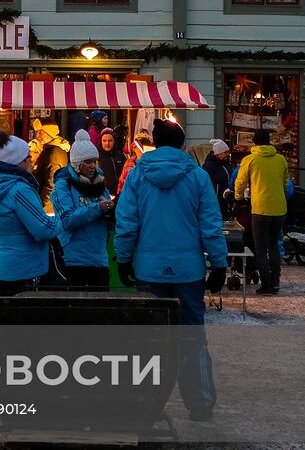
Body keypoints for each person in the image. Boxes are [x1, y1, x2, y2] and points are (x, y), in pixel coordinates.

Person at [113, 117, 228, 422]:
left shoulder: (138, 176)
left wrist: (123, 258)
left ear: (155, 142)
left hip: (149, 269)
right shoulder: (198, 177)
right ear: (182, 143)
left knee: (148, 338)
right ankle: (200, 401)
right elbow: (211, 225)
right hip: (188, 271)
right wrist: (219, 263)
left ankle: (145, 401)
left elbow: (126, 223)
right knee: (192, 336)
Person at [0, 130, 60, 296]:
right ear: (19, 161)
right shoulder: (19, 190)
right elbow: (44, 229)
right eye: (28, 157)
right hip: (24, 269)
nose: (31, 160)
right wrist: (61, 217)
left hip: (2, 266)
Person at [52, 130, 116, 291]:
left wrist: (113, 213)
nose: (93, 166)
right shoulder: (63, 186)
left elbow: (108, 223)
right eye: (88, 162)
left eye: (95, 161)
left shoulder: (100, 185)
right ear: (77, 164)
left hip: (99, 259)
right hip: (73, 260)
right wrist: (98, 208)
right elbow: (66, 220)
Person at [233, 128, 290, 294]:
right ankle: (276, 281)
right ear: (269, 141)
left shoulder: (250, 160)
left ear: (254, 142)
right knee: (273, 245)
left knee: (260, 247)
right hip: (279, 208)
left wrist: (238, 198)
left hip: (260, 208)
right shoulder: (281, 159)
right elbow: (285, 183)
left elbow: (240, 182)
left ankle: (266, 284)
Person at [31, 121, 71, 207]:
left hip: (50, 206)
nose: (37, 136)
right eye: (36, 132)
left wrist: (41, 204)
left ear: (50, 133)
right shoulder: (48, 149)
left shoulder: (54, 152)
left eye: (40, 133)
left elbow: (51, 183)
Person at [201, 139, 232, 210]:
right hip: (216, 200)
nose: (227, 154)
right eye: (225, 152)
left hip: (225, 199)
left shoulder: (225, 163)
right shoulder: (209, 165)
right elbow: (204, 182)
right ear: (218, 153)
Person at [96, 127, 124, 196]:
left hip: (120, 194)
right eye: (104, 141)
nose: (107, 143)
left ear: (114, 141)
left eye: (110, 140)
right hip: (103, 195)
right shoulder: (96, 157)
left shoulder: (120, 156)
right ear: (101, 141)